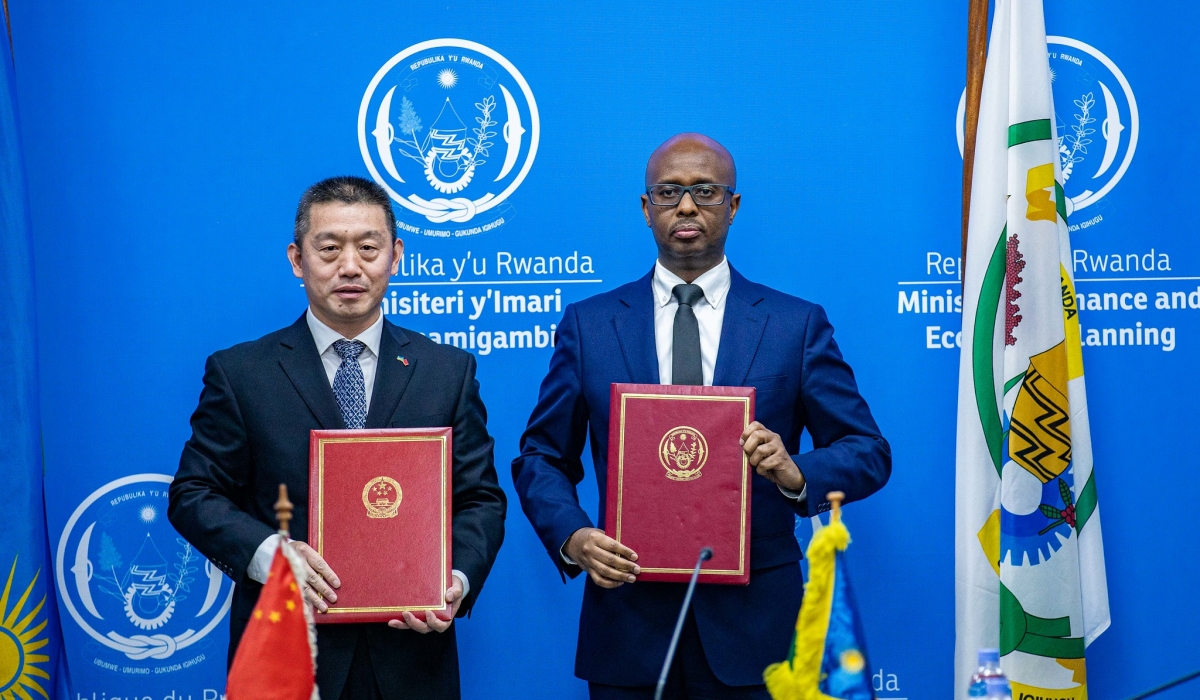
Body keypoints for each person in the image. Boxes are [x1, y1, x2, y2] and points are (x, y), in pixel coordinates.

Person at [511, 134, 891, 699]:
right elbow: (541, 456)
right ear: (646, 210)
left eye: (705, 192)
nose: (686, 206)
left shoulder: (795, 324)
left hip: (757, 630)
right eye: (668, 193)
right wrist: (574, 536)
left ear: (733, 206)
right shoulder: (590, 326)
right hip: (628, 626)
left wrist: (796, 473)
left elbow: (867, 450)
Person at [168, 176, 506, 700]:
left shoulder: (447, 371)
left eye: (368, 248)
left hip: (412, 657)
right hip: (288, 651)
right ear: (297, 259)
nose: (350, 266)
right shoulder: (242, 373)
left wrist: (455, 581)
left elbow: (479, 498)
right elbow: (193, 494)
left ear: (395, 256)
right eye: (329, 248)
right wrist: (269, 555)